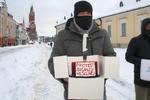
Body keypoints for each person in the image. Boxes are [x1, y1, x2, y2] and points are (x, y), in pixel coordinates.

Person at [48, 1, 116, 100]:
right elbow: (53, 61)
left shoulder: (102, 33)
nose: (85, 16)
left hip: (97, 92)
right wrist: (62, 77)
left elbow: (110, 55)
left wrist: (104, 75)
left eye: (88, 13)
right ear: (76, 15)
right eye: (82, 13)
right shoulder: (63, 35)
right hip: (74, 93)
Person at [125, 18, 150, 100]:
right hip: (141, 79)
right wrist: (143, 62)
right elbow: (128, 57)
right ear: (143, 28)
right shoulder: (136, 41)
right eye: (148, 27)